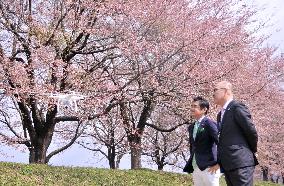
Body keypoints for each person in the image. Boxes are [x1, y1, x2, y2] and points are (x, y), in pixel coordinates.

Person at [212, 81, 258, 186]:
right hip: (229, 164)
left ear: (226, 91)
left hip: (241, 162)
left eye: (215, 90)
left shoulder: (237, 107)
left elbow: (250, 131)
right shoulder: (220, 114)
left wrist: (252, 150)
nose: (213, 93)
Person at [183, 96, 220, 186]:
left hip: (210, 167)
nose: (192, 108)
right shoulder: (191, 127)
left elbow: (221, 143)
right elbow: (193, 146)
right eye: (191, 106)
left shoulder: (209, 124)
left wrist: (220, 163)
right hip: (196, 166)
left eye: (195, 106)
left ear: (204, 109)